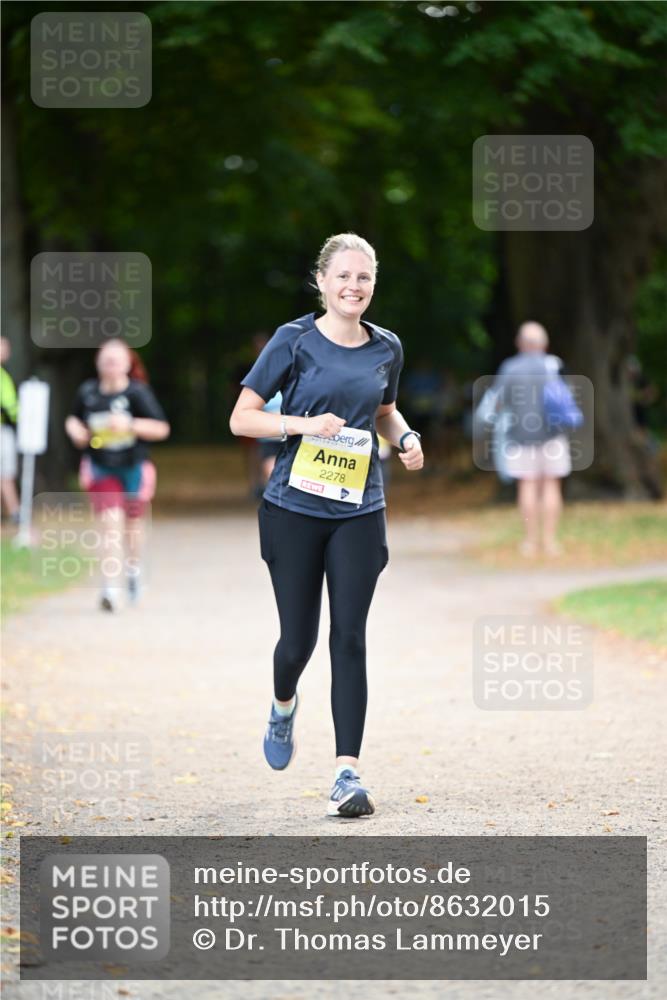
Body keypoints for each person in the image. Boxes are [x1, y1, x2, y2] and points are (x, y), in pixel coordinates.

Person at [230, 232, 424, 817]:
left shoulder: (386, 347)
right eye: (343, 276)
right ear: (321, 281)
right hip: (293, 509)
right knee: (298, 641)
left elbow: (385, 413)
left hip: (360, 510)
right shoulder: (294, 341)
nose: (353, 286)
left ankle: (347, 773)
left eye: (364, 277)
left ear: (373, 284)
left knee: (351, 636)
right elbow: (242, 419)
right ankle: (283, 704)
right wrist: (299, 425)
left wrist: (408, 438)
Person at [65, 339, 170, 611]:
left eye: (115, 360)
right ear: (98, 362)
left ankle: (133, 570)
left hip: (133, 467)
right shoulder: (88, 392)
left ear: (126, 364)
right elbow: (73, 418)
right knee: (110, 525)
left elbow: (161, 429)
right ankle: (110, 587)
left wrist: (131, 424)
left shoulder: (138, 393)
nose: (110, 365)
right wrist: (75, 429)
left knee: (132, 527)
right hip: (101, 467)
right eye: (105, 359)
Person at [492, 321, 572, 557]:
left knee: (527, 485)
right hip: (553, 435)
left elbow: (498, 402)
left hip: (519, 436)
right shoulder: (553, 365)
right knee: (551, 485)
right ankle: (549, 541)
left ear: (520, 343)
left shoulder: (510, 368)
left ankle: (529, 542)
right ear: (544, 344)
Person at [0, 337, 20, 524]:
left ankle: (13, 513)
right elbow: (9, 407)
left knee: (6, 474)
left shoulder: (4, 375)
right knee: (5, 474)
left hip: (5, 429)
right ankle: (14, 513)